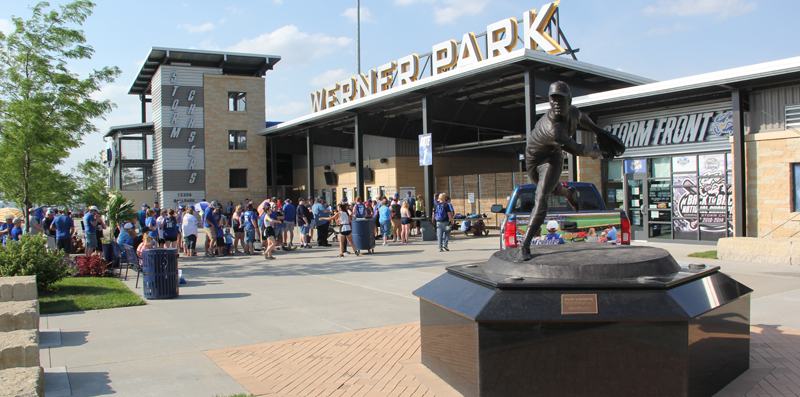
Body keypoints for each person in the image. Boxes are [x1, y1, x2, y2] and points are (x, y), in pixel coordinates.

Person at [517, 81, 620, 261]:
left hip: (553, 157)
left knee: (541, 197)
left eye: (561, 99)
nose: (556, 103)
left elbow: (582, 118)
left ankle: (524, 246)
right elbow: (577, 149)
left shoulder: (573, 112)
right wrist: (598, 154)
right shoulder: (553, 128)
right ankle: (568, 193)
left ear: (569, 100)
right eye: (553, 99)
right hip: (534, 159)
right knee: (548, 188)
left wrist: (598, 131)